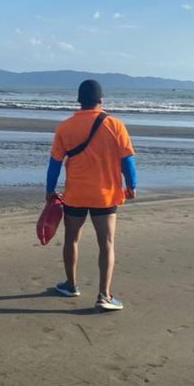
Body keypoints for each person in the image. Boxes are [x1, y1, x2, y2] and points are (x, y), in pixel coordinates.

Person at [46, 79, 137, 311]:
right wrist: (132, 184)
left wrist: (49, 190)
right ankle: (104, 295)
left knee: (71, 239)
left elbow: (55, 163)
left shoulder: (65, 127)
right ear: (101, 100)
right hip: (105, 195)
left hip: (75, 194)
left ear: (79, 100)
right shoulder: (115, 125)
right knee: (106, 243)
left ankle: (71, 285)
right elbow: (127, 160)